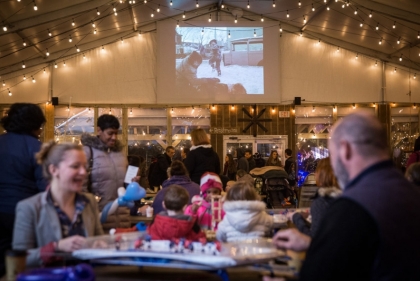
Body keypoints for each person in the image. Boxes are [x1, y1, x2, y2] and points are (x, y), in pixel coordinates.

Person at [270, 112, 420, 280]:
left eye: (332, 155)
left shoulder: (352, 207)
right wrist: (313, 244)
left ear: (345, 149)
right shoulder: (411, 193)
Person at [12, 142, 104, 268]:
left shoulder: (89, 201)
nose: (83, 172)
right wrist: (57, 247)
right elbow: (20, 259)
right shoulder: (29, 208)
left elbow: (99, 240)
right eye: (75, 166)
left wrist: (102, 245)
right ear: (54, 170)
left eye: (85, 167)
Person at [0, 103, 47, 277]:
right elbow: (45, 186)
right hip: (24, 214)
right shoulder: (37, 148)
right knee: (24, 263)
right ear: (35, 124)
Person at [81, 114, 130, 231]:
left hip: (123, 217)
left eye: (116, 133)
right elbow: (80, 188)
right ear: (99, 131)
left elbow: (126, 184)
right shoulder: (87, 153)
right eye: (110, 133)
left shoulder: (121, 154)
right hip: (99, 216)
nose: (114, 137)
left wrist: (132, 183)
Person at [288, 158, 341, 237]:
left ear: (321, 174)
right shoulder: (345, 198)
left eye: (316, 171)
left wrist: (295, 217)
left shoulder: (322, 202)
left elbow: (313, 239)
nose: (315, 174)